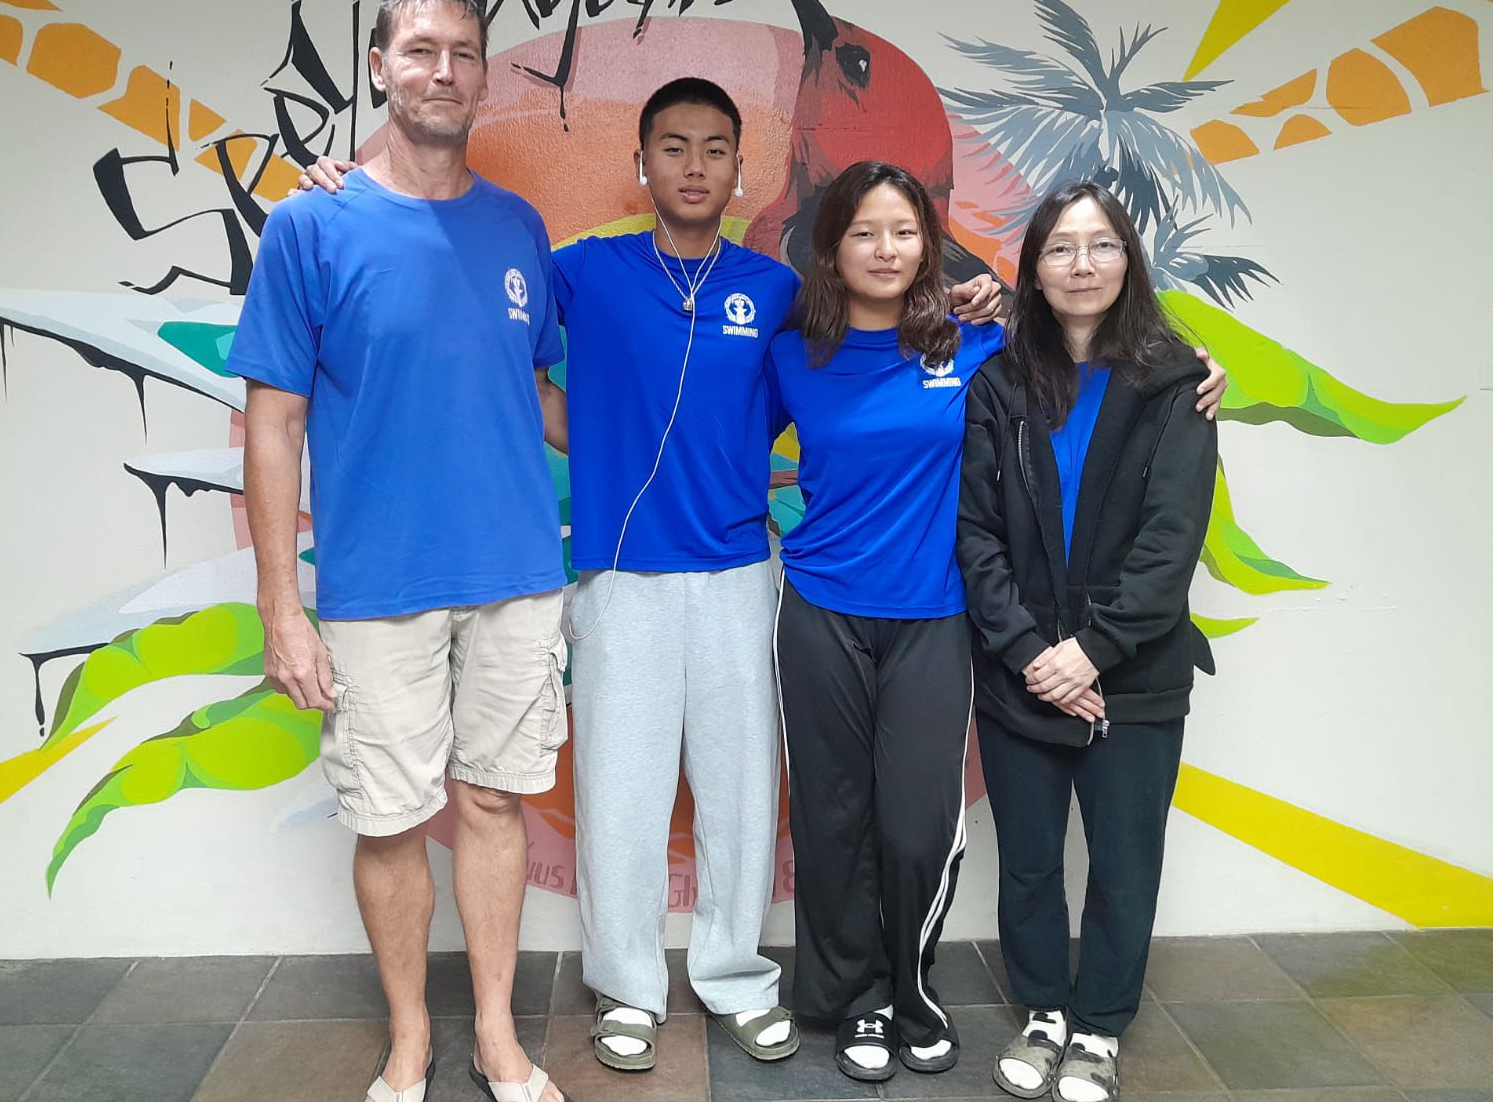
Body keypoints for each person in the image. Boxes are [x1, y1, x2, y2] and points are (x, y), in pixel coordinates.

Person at [299, 77, 1004, 1075]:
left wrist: (983, 296)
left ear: (737, 170)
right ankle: (626, 987)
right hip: (617, 578)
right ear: (642, 164)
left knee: (739, 791)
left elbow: (881, 330)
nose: (693, 167)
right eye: (672, 148)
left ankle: (732, 975)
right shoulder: (583, 270)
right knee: (622, 795)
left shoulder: (775, 293)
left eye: (714, 149)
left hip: (738, 572)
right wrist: (351, 190)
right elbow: (470, 286)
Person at [229, 0, 575, 1102]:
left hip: (517, 575)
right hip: (377, 586)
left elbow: (540, 391)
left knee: (491, 804)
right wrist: (284, 608)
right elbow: (274, 422)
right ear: (378, 66)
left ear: (482, 75)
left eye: (463, 53)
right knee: (387, 821)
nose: (441, 70)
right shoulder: (310, 224)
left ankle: (494, 1035)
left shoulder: (519, 226)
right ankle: (411, 1038)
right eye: (418, 50)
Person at [958, 181, 1219, 1102]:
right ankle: (1044, 1014)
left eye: (1100, 245)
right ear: (1032, 268)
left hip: (1135, 677)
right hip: (1020, 670)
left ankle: (1100, 1027)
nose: (1081, 265)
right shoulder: (997, 381)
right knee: (1028, 861)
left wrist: (1092, 653)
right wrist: (1036, 654)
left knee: (1123, 861)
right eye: (1060, 249)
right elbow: (976, 535)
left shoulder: (1177, 379)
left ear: (1128, 260)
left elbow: (1171, 539)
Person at [765, 160, 1006, 1085]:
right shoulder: (793, 355)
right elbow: (711, 433)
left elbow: (1087, 345)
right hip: (822, 609)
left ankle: (913, 989)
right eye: (864, 231)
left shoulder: (971, 342)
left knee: (914, 824)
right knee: (833, 819)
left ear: (929, 243)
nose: (885, 249)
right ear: (832, 247)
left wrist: (1198, 366)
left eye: (904, 230)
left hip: (935, 616)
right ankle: (854, 1001)